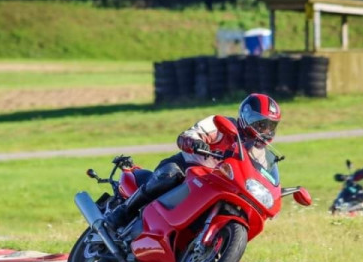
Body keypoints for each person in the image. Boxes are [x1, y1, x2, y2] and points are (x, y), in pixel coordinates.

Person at [106, 93, 282, 228]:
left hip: (218, 183)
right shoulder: (222, 125)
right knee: (169, 175)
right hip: (188, 167)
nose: (265, 130)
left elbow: (260, 177)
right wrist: (194, 142)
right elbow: (189, 134)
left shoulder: (259, 153)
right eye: (261, 124)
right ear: (247, 117)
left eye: (270, 126)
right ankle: (125, 210)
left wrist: (273, 194)